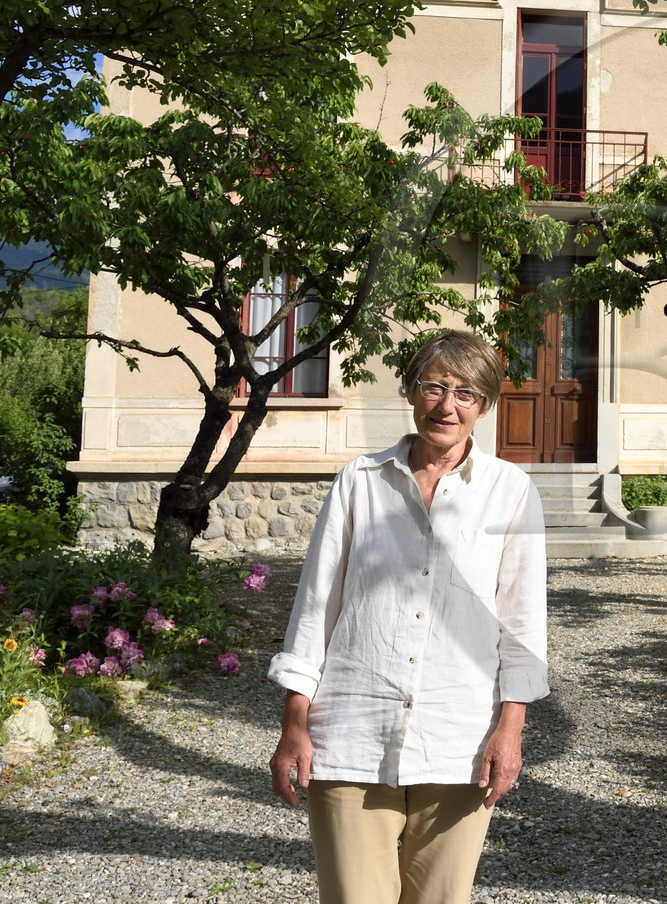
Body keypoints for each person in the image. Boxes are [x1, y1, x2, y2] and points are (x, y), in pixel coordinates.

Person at [268, 330, 548, 904]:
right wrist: (294, 724)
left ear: (484, 406)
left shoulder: (511, 492)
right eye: (435, 387)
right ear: (412, 391)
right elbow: (315, 606)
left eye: (466, 394)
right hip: (351, 731)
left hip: (460, 739)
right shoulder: (360, 481)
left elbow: (522, 624)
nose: (447, 406)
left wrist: (510, 731)